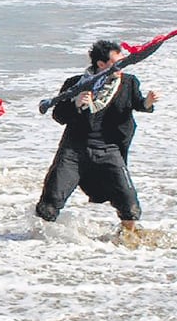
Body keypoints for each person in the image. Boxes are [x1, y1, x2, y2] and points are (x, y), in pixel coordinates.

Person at [35, 40, 159, 232]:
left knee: (129, 203)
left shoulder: (129, 82)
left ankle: (128, 237)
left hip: (109, 150)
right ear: (101, 64)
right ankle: (38, 240)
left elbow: (138, 104)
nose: (122, 66)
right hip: (74, 150)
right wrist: (76, 104)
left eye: (123, 60)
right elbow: (58, 116)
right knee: (51, 200)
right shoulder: (75, 84)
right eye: (117, 62)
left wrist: (148, 103)